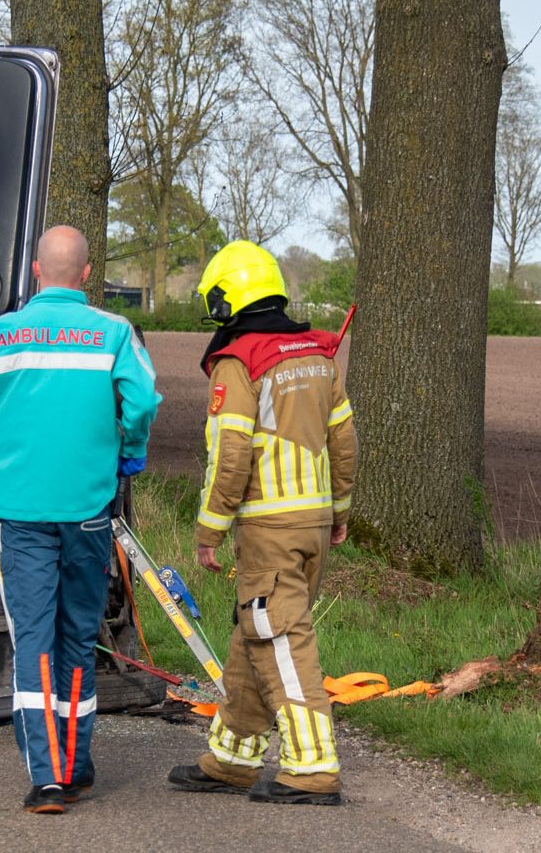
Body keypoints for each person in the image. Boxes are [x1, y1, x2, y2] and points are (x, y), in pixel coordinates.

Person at [0, 225, 160, 814]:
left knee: (34, 635)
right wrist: (128, 449)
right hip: (88, 506)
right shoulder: (114, 333)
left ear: (36, 272)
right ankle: (77, 762)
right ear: (87, 274)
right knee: (77, 635)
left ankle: (47, 776)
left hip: (20, 509)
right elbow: (142, 401)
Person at [166, 240, 357, 807]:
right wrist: (339, 512)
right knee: (257, 632)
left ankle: (313, 766)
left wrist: (209, 530)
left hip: (269, 529)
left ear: (228, 301)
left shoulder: (239, 362)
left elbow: (231, 455)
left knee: (279, 637)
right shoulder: (321, 355)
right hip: (315, 523)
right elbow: (344, 443)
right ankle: (232, 757)